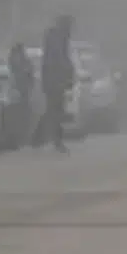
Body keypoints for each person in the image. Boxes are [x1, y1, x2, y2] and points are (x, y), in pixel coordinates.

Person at [37, 14, 76, 153]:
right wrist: (68, 72)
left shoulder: (58, 38)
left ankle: (40, 138)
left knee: (54, 110)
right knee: (55, 111)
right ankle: (52, 139)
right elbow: (59, 59)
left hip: (55, 80)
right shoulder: (56, 38)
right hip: (54, 80)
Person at [8, 42, 36, 148]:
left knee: (24, 117)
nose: (17, 56)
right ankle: (15, 140)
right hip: (12, 96)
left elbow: (31, 79)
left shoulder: (26, 64)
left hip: (24, 94)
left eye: (19, 53)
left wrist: (28, 89)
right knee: (14, 119)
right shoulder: (10, 65)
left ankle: (24, 139)